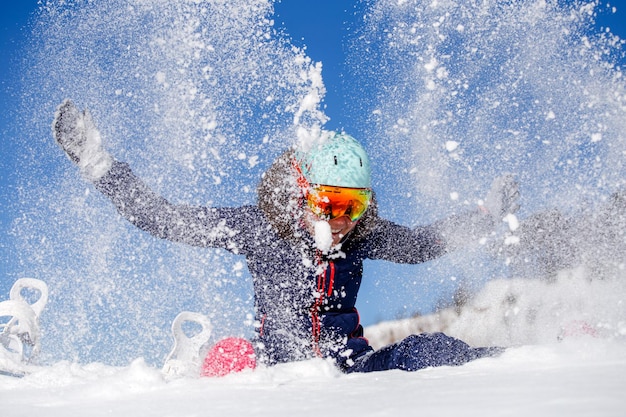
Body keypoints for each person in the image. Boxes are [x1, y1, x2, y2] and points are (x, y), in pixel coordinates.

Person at [52, 99, 519, 373]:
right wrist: (98, 165)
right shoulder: (261, 229)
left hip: (351, 369)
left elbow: (421, 245)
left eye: (352, 206)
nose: (340, 219)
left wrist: (488, 215)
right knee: (232, 357)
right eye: (328, 203)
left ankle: (525, 364)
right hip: (282, 376)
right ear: (301, 194)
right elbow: (165, 218)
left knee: (429, 347)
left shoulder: (360, 237)